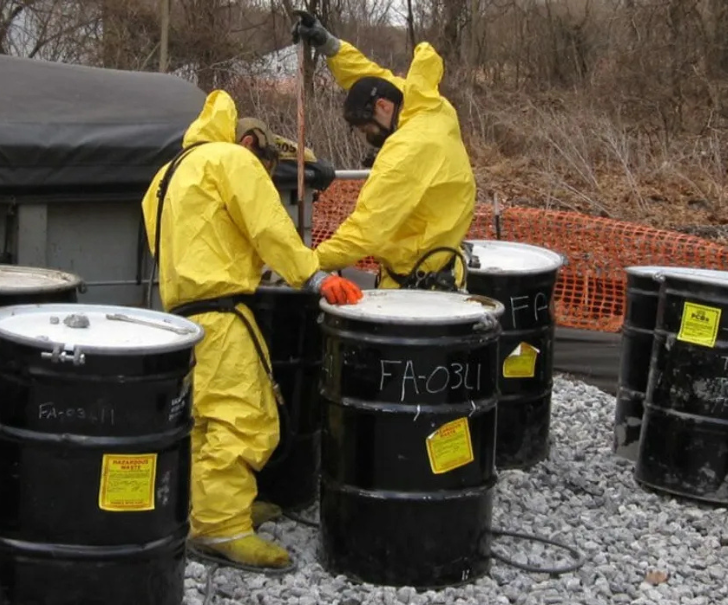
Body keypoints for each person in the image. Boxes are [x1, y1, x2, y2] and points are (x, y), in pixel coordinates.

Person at [142, 90, 362, 569]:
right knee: (243, 418)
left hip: (182, 317)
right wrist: (315, 276)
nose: (263, 175)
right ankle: (222, 527)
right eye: (264, 167)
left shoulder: (165, 177)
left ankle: (207, 508)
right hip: (221, 317)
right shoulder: (231, 161)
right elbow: (269, 227)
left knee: (203, 420)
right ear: (247, 144)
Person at [293, 11, 477, 291]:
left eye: (368, 128)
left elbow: (365, 230)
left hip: (418, 291)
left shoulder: (409, 149)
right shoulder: (427, 104)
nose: (370, 137)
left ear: (382, 107)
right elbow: (374, 78)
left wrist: (304, 263)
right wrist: (330, 46)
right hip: (444, 267)